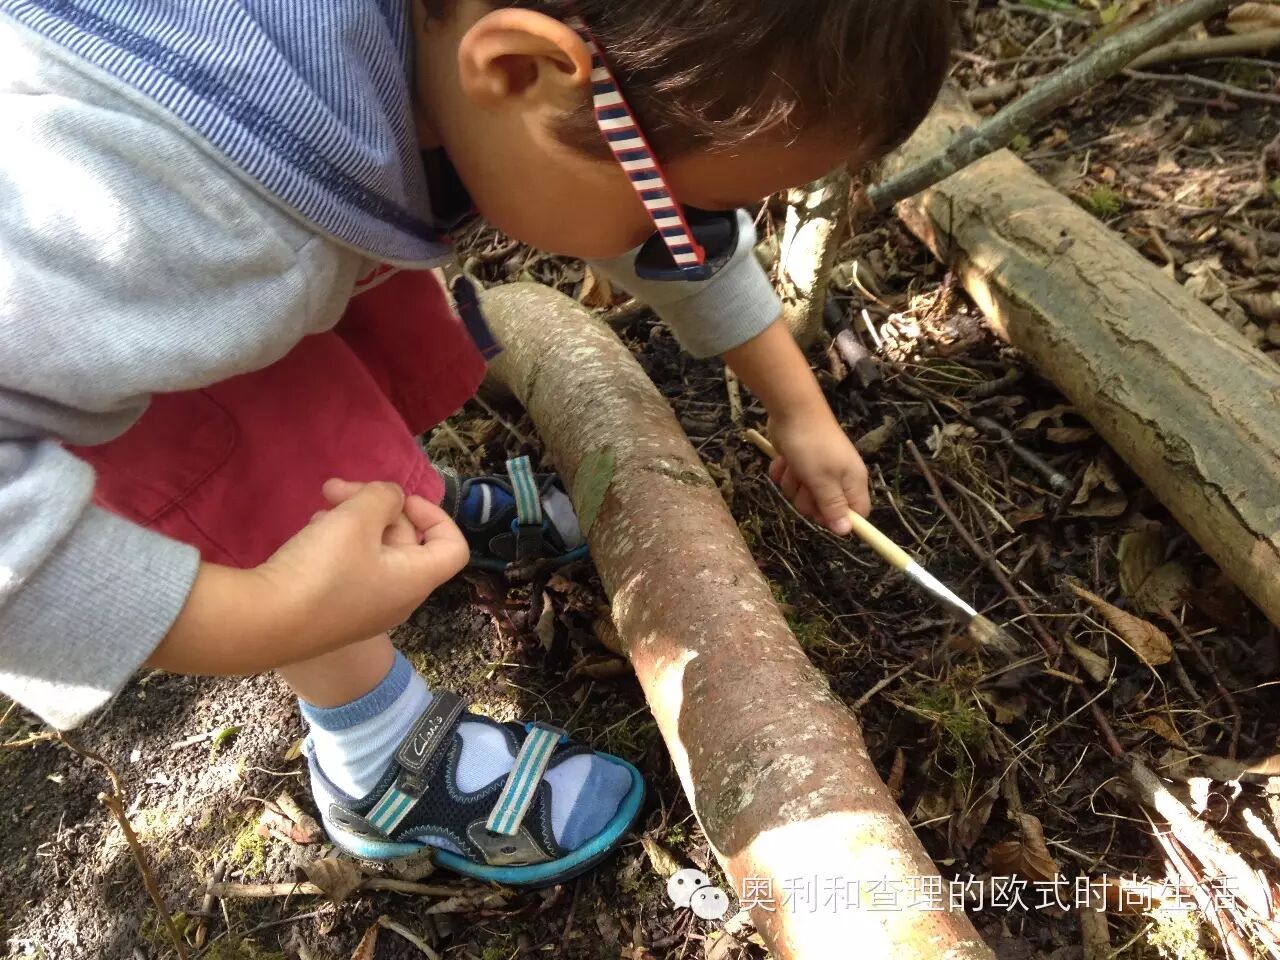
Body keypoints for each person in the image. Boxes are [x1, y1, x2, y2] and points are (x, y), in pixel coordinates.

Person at [0, 0, 949, 884]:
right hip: (92, 378)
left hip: (213, 272)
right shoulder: (147, 219)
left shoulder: (445, 67)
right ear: (520, 69)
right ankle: (372, 752)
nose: (687, 235)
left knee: (347, 331)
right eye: (685, 208)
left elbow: (662, 229)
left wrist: (796, 403)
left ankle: (403, 499)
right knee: (254, 444)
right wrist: (267, 613)